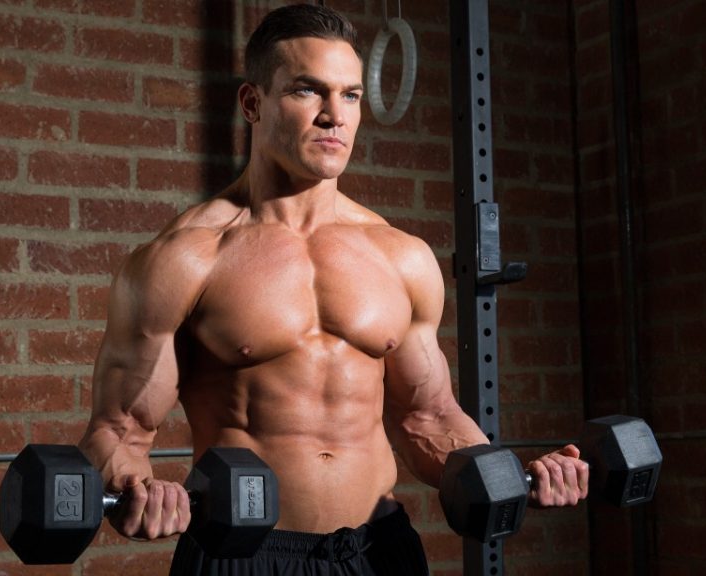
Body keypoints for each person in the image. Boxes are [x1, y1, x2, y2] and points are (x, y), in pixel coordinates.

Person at [78, 4, 588, 575]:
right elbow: (117, 430)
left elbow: (428, 418)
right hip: (243, 557)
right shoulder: (185, 259)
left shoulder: (400, 256)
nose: (333, 116)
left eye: (350, 95)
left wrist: (506, 476)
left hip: (378, 552)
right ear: (252, 103)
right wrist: (135, 489)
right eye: (307, 90)